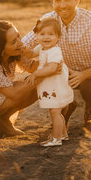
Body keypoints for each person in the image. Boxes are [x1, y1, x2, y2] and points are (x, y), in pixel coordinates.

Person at [22, 0, 91, 128]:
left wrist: (83, 75)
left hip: (89, 74)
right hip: (59, 72)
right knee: (36, 78)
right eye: (57, 0)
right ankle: (66, 107)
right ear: (52, 2)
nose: (62, 5)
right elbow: (26, 44)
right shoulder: (47, 20)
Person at [24, 18, 74, 147]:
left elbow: (52, 68)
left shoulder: (55, 51)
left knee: (55, 112)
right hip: (51, 87)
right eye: (42, 34)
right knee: (56, 111)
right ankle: (63, 134)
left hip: (56, 86)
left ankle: (56, 138)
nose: (46, 37)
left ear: (58, 37)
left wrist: (35, 74)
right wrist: (22, 49)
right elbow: (30, 54)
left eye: (51, 34)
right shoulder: (41, 47)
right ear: (37, 36)